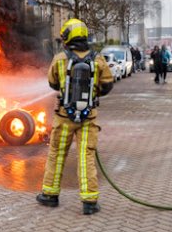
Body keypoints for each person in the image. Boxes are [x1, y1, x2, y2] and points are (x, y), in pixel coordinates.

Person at [37, 18, 114, 215]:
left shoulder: (60, 58)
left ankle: (50, 195)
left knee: (56, 154)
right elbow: (107, 85)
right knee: (86, 156)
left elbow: (53, 83)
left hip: (64, 117)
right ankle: (89, 202)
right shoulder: (98, 59)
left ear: (68, 37)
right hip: (88, 118)